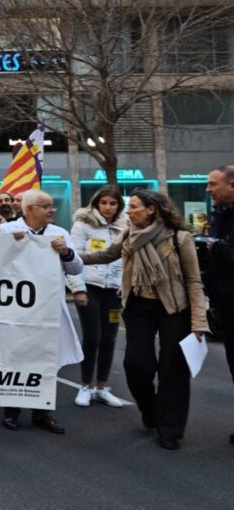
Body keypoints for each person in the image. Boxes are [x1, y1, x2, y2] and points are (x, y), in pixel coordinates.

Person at [82, 190, 208, 450]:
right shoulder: (128, 235)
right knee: (136, 365)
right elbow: (106, 256)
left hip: (174, 309)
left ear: (152, 209)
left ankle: (170, 429)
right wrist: (68, 257)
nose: (129, 211)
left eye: (135, 207)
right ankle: (150, 411)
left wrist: (198, 323)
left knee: (172, 370)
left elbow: (194, 282)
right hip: (138, 306)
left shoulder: (179, 238)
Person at [0, 190, 83, 435]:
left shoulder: (60, 233)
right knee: (15, 359)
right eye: (46, 206)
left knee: (45, 360)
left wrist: (66, 252)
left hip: (48, 309)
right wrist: (8, 247)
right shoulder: (6, 231)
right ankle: (12, 410)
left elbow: (76, 269)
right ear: (30, 210)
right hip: (16, 309)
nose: (52, 210)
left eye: (52, 206)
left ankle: (42, 412)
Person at [68, 186, 127, 408]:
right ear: (96, 203)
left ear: (119, 206)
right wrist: (78, 289)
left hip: (114, 290)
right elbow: (71, 259)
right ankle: (84, 386)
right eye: (104, 203)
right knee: (92, 338)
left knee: (109, 339)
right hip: (90, 287)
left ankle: (102, 387)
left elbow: (129, 259)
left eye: (113, 203)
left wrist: (125, 285)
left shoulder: (126, 227)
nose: (108, 207)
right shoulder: (83, 224)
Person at [204, 165, 234, 445]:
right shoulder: (220, 216)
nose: (208, 189)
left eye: (213, 184)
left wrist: (217, 247)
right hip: (224, 302)